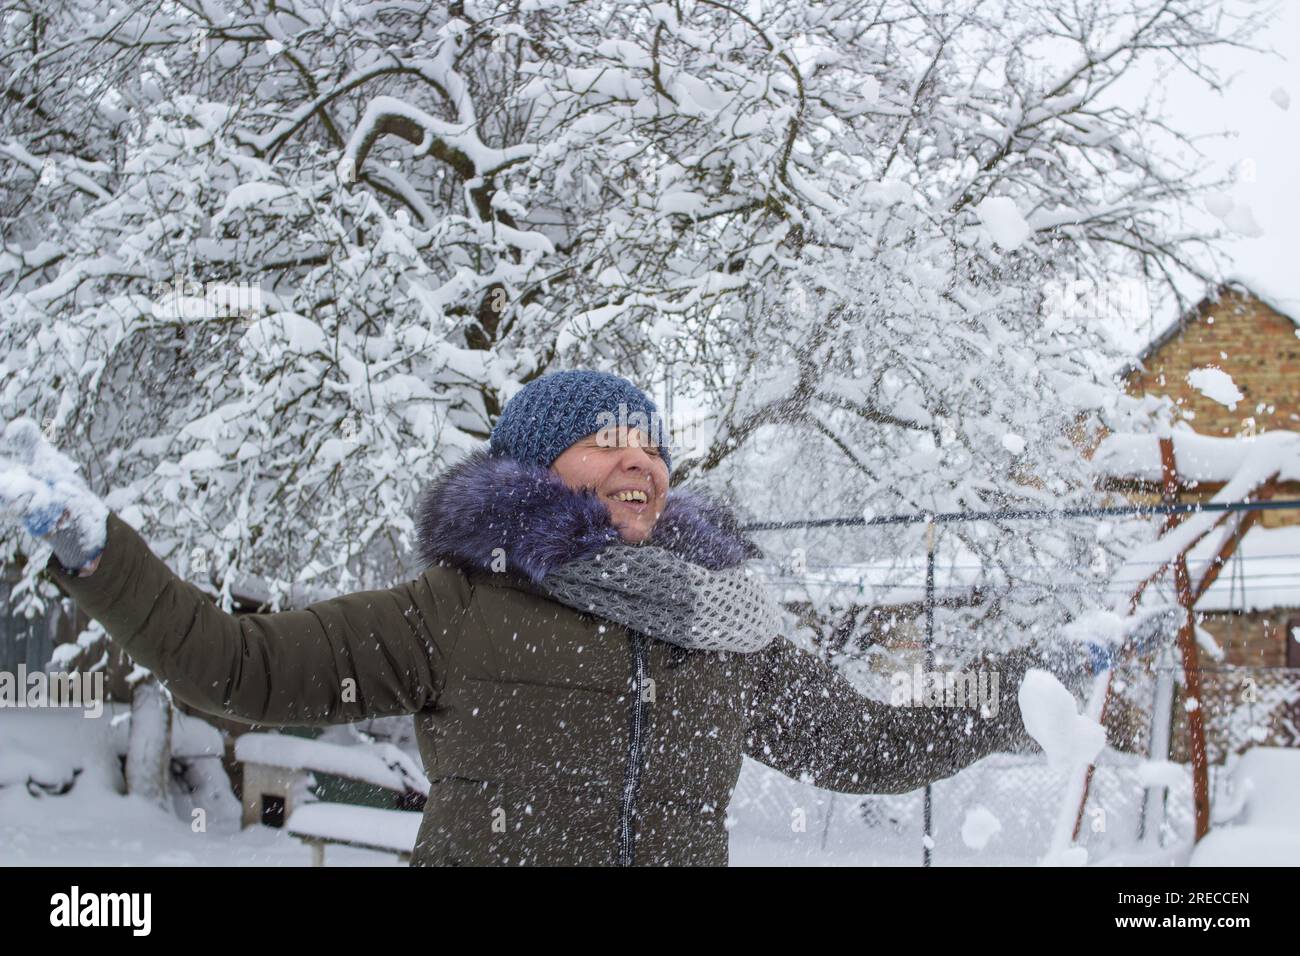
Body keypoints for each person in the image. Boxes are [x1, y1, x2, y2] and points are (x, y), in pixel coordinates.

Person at [1, 370, 1094, 866]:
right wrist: (98, 552)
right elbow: (240, 668)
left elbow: (859, 740)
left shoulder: (720, 623)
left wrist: (1014, 693)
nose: (639, 457)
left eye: (652, 442)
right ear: (533, 467)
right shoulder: (457, 608)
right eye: (603, 437)